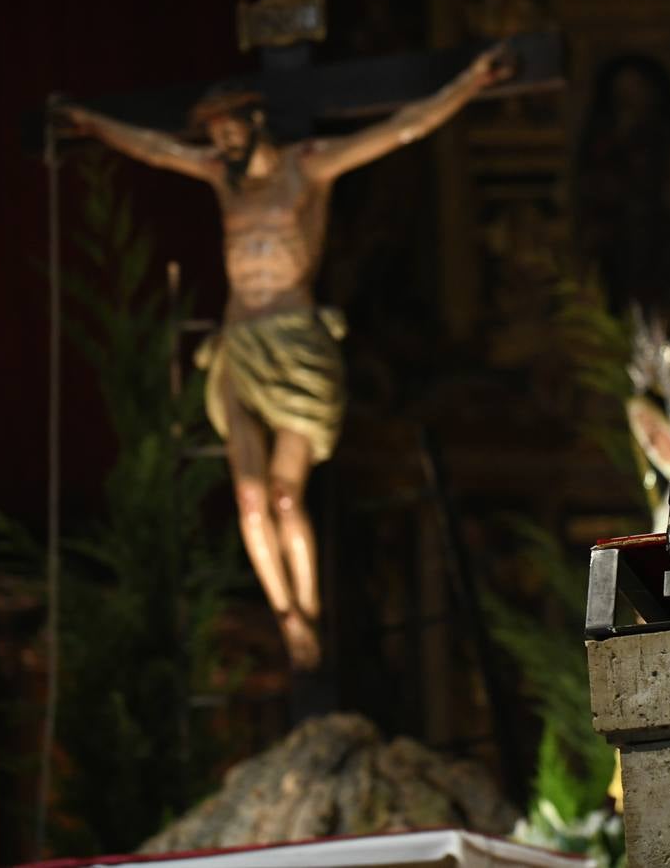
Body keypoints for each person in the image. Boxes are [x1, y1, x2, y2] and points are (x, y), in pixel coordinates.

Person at [58, 45, 514, 671]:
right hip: (238, 343)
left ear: (255, 122)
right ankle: (288, 618)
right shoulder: (223, 178)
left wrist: (469, 82)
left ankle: (311, 609)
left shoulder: (310, 168)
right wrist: (94, 125)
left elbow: (401, 128)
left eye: (228, 130)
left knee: (282, 497)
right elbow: (158, 151)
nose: (222, 144)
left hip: (296, 344)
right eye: (214, 135)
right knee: (247, 497)